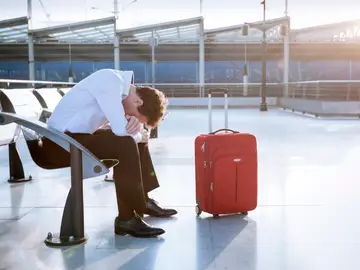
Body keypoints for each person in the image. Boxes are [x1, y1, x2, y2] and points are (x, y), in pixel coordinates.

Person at [43, 68, 177, 238]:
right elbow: (122, 132)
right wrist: (136, 132)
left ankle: (143, 199)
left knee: (134, 139)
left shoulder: (119, 89)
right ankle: (127, 218)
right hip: (57, 145)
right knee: (126, 143)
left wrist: (134, 130)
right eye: (133, 114)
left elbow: (101, 124)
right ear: (138, 102)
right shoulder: (111, 81)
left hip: (72, 138)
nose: (128, 115)